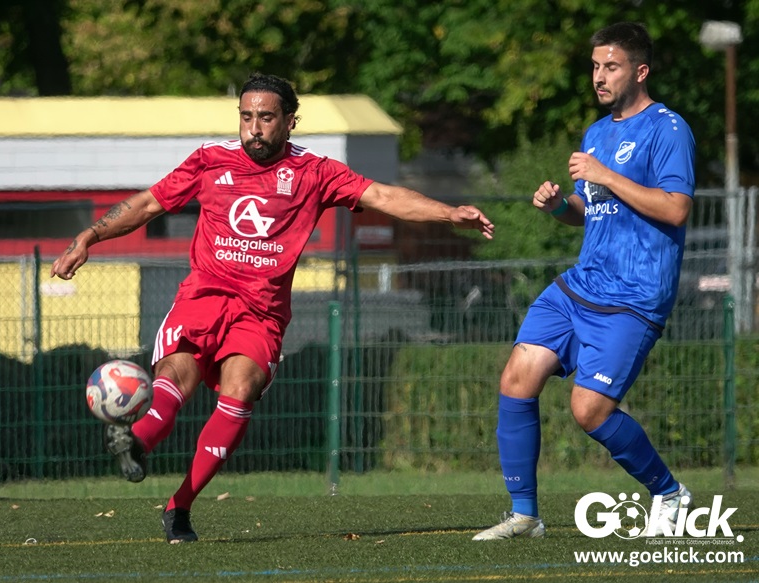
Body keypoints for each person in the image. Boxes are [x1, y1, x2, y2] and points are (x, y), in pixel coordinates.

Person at [52, 72, 494, 543]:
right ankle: (136, 442)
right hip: (203, 297)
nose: (254, 128)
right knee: (177, 376)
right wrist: (90, 236)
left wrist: (449, 213)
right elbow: (147, 204)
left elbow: (383, 196)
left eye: (265, 118)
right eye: (246, 117)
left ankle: (180, 506)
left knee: (240, 391)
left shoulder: (315, 172)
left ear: (289, 121)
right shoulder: (210, 160)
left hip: (261, 313)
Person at [472, 22, 695, 540]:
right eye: (595, 66)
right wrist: (559, 207)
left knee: (589, 410)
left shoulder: (668, 129)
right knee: (516, 378)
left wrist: (605, 175)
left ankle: (669, 494)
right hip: (580, 286)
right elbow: (590, 209)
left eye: (611, 67)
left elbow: (676, 209)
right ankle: (525, 515)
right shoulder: (596, 133)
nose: (599, 76)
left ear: (640, 71)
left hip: (634, 297)